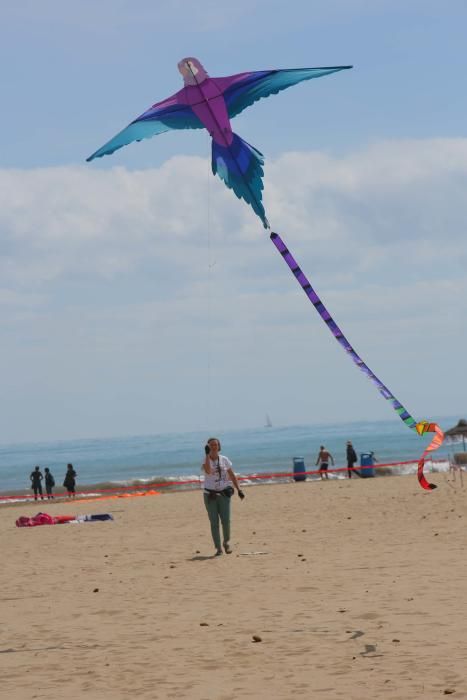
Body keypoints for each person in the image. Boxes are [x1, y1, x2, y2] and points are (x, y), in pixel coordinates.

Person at [202, 437, 245, 556]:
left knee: (226, 521)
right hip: (210, 495)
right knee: (214, 522)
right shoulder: (205, 460)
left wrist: (239, 489)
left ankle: (226, 542)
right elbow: (208, 471)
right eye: (211, 445)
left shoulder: (224, 459)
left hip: (224, 494)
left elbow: (231, 474)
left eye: (215, 445)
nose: (214, 447)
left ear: (219, 446)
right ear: (208, 447)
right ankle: (218, 548)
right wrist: (206, 455)